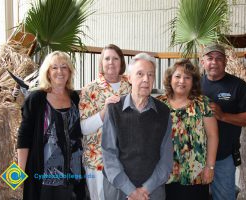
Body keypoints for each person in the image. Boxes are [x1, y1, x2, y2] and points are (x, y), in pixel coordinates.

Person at [101, 53, 173, 200]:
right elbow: (109, 155)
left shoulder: (163, 112)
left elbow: (166, 159)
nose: (146, 79)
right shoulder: (114, 109)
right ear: (129, 78)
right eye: (140, 74)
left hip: (152, 191)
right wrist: (131, 191)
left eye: (150, 75)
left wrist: (145, 190)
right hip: (119, 190)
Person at [17, 51, 86, 200]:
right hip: (43, 176)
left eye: (64, 67)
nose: (59, 71)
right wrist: (18, 174)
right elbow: (24, 136)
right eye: (54, 67)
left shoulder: (74, 97)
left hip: (73, 175)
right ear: (47, 72)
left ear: (69, 71)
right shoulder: (36, 99)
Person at [200, 43, 246, 200]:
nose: (214, 62)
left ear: (225, 62)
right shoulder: (194, 85)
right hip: (195, 157)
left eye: (219, 58)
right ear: (202, 61)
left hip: (223, 157)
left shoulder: (238, 86)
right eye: (210, 58)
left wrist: (223, 115)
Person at [157, 59, 218, 200]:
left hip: (196, 173)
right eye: (177, 76)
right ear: (170, 79)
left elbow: (212, 135)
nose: (181, 81)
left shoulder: (203, 103)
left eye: (187, 77)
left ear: (193, 81)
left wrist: (210, 167)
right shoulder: (159, 103)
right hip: (165, 173)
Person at [79, 44, 131, 200]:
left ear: (121, 62)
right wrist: (104, 112)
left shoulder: (130, 85)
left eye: (115, 58)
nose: (111, 62)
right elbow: (83, 128)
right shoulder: (89, 89)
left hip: (127, 159)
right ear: (101, 62)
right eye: (107, 58)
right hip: (97, 161)